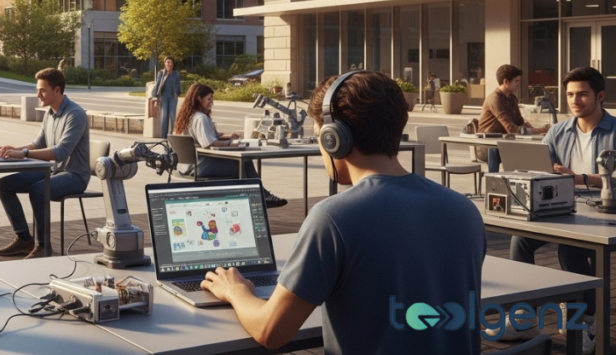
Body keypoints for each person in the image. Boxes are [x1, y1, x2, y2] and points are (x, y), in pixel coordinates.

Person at [201, 71, 486, 354]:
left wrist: (235, 290)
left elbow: (270, 332)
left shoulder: (334, 218)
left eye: (318, 137)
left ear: (333, 139)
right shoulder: (463, 210)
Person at [502, 66, 615, 350]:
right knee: (520, 241)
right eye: (570, 95)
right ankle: (524, 319)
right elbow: (539, 169)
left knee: (571, 247)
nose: (575, 101)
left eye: (582, 95)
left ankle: (586, 321)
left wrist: (580, 179)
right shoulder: (557, 131)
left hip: (605, 210)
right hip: (561, 206)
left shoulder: (615, 132)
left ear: (600, 95)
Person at [0, 68, 91, 259]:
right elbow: (38, 144)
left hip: (75, 175)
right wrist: (11, 151)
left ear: (57, 90)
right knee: (4, 184)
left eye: (42, 90)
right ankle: (23, 239)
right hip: (53, 172)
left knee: (38, 190)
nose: (38, 95)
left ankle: (44, 246)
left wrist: (23, 153)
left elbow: (61, 152)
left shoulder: (75, 114)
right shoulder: (50, 114)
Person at [173, 83, 287, 208]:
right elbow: (209, 143)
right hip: (198, 167)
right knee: (243, 163)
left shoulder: (188, 116)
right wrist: (232, 143)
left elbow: (204, 136)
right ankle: (257, 199)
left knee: (242, 164)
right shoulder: (200, 118)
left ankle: (258, 197)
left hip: (185, 166)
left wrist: (226, 136)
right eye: (209, 99)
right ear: (199, 98)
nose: (211, 102)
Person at [477, 64, 550, 172]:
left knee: (533, 151)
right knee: (509, 151)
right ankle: (494, 183)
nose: (518, 84)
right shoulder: (495, 99)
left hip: (505, 143)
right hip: (487, 146)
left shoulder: (511, 98)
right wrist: (539, 130)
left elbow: (519, 121)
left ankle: (524, 181)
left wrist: (531, 128)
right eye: (516, 81)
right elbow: (511, 129)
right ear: (506, 81)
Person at [150, 56, 181, 139]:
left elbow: (178, 85)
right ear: (164, 63)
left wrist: (177, 94)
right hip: (164, 97)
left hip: (172, 97)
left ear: (173, 64)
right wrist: (155, 95)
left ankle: (172, 135)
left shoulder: (176, 74)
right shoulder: (161, 73)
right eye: (167, 62)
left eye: (170, 62)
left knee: (172, 116)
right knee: (164, 116)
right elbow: (158, 84)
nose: (168, 64)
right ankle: (164, 136)